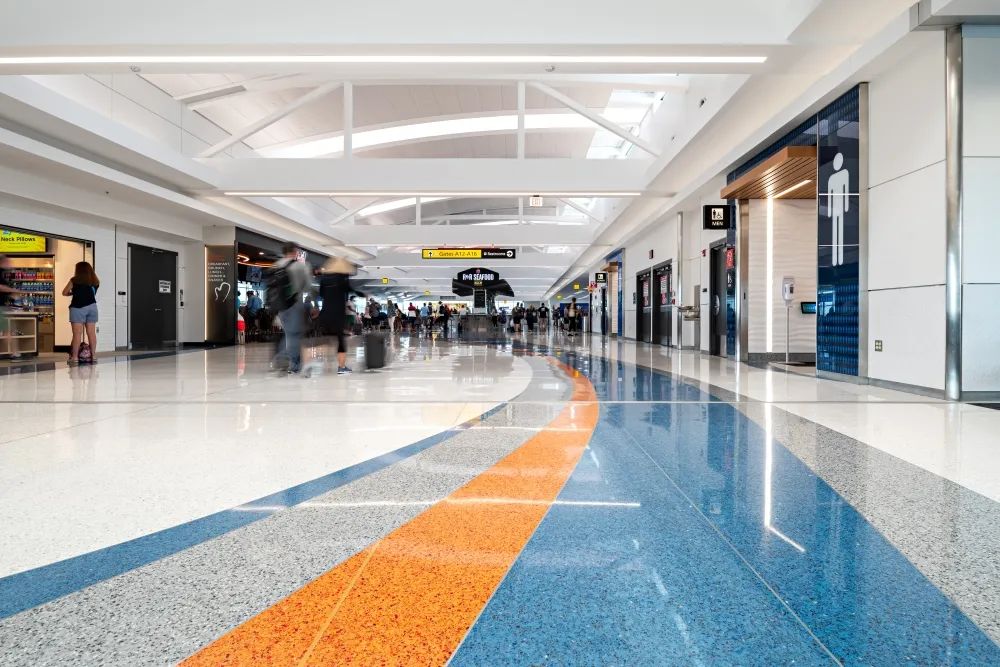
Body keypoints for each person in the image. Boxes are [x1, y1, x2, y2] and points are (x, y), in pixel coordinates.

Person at [306, 256, 358, 376]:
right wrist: (360, 293)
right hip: (337, 314)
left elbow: (321, 295)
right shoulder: (342, 279)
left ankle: (308, 363)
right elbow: (350, 290)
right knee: (340, 341)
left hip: (325, 313)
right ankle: (341, 367)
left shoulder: (324, 279)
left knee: (322, 340)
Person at [268, 243, 311, 373]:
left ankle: (281, 360)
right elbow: (308, 287)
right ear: (295, 251)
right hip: (295, 304)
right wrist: (313, 304)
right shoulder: (301, 266)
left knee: (288, 334)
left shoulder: (276, 265)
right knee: (295, 335)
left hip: (281, 306)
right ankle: (293, 364)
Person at [61, 261, 100, 364]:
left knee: (77, 334)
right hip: (92, 307)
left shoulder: (74, 280)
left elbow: (64, 292)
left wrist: (73, 293)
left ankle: (74, 358)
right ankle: (93, 356)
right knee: (91, 333)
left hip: (78, 307)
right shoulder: (95, 281)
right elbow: (91, 294)